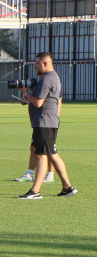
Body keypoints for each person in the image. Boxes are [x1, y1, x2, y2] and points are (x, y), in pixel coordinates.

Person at [18, 52, 77, 199]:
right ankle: (67, 188)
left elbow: (38, 102)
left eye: (37, 63)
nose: (35, 66)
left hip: (44, 122)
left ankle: (35, 191)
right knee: (51, 154)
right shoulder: (52, 77)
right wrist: (29, 95)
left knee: (40, 155)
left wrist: (25, 93)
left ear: (45, 63)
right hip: (47, 122)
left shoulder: (47, 79)